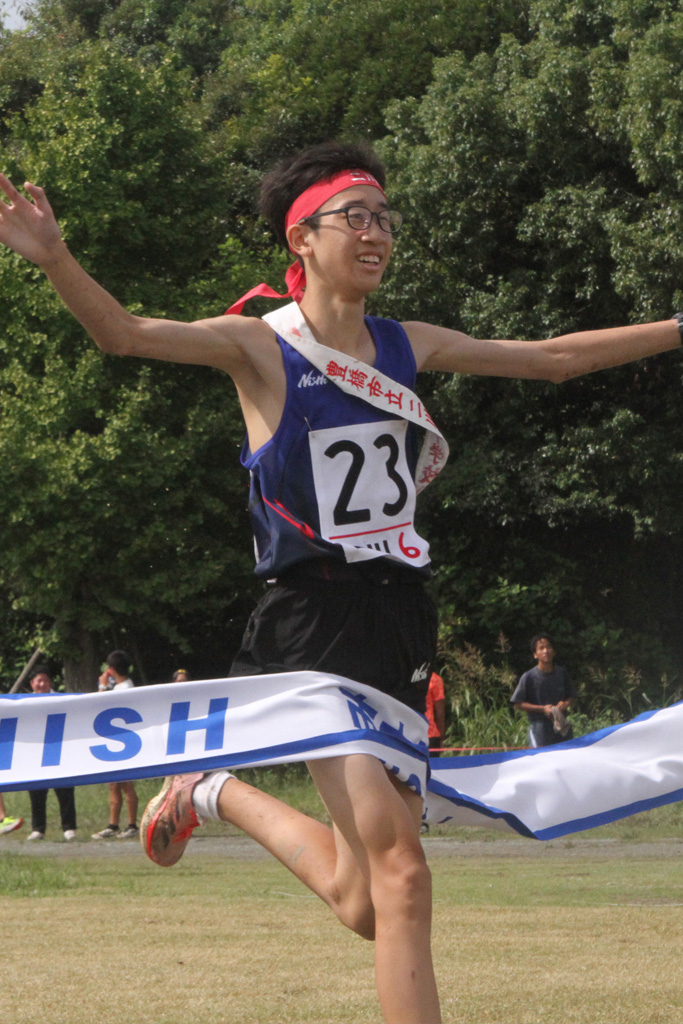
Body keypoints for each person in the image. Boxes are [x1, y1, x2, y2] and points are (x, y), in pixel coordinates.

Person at [0, 141, 680, 1024]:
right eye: (354, 217)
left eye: (385, 219)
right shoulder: (258, 346)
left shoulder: (408, 344)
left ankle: (212, 789)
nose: (376, 232)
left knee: (368, 903)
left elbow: (551, 358)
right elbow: (124, 334)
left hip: (400, 621)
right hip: (308, 622)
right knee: (404, 874)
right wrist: (55, 258)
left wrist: (674, 329)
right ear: (302, 239)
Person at [25, 666, 77, 841]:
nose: (42, 684)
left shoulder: (60, 700)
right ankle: (38, 829)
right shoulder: (23, 703)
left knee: (65, 790)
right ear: (32, 683)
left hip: (59, 749)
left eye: (45, 680)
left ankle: (69, 828)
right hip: (36, 751)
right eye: (38, 680)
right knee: (36, 791)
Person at [92, 650, 139, 839]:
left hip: (125, 741)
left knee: (126, 784)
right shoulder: (121, 686)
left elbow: (102, 704)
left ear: (111, 669)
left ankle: (132, 824)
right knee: (114, 784)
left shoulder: (126, 687)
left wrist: (102, 687)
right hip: (115, 741)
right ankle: (113, 824)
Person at [511, 634, 577, 748]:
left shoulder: (562, 673)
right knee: (541, 761)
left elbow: (572, 697)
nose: (545, 651)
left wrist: (566, 703)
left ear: (554, 651)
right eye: (541, 648)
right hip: (539, 728)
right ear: (535, 654)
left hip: (562, 726)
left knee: (565, 760)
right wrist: (543, 709)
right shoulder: (529, 677)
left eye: (548, 647)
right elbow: (518, 704)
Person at [425, 671, 446, 755]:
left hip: (411, 732)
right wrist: (442, 738)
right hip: (431, 734)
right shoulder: (435, 679)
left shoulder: (409, 678)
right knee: (433, 767)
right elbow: (440, 712)